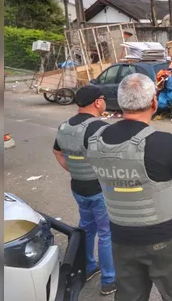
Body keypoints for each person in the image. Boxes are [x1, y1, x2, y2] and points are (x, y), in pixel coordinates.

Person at [86, 73, 172, 301]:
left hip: (121, 236)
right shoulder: (164, 142)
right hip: (166, 236)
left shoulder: (95, 139)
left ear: (120, 102)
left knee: (129, 295)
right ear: (154, 103)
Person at [52, 85, 116, 295]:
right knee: (106, 233)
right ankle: (109, 280)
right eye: (103, 99)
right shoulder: (99, 128)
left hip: (78, 187)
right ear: (98, 102)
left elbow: (57, 151)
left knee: (87, 228)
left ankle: (88, 267)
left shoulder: (64, 126)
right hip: (99, 190)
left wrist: (75, 169)